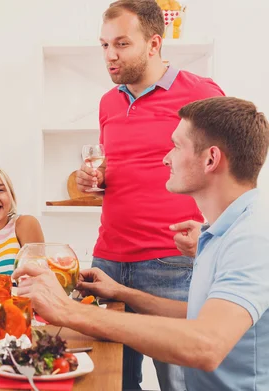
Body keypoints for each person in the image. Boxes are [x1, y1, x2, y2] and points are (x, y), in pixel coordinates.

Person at [15, 96, 269, 391]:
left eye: (175, 146)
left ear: (211, 159)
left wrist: (66, 310)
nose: (165, 158)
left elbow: (206, 345)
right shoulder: (219, 231)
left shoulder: (253, 236)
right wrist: (122, 293)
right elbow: (199, 315)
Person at [74, 1, 225, 389]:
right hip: (108, 258)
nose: (110, 55)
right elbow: (120, 167)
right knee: (108, 381)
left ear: (154, 43)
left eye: (122, 44)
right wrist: (94, 180)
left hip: (171, 264)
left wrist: (212, 229)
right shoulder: (108, 102)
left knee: (179, 384)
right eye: (104, 45)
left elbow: (230, 167)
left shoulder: (201, 94)